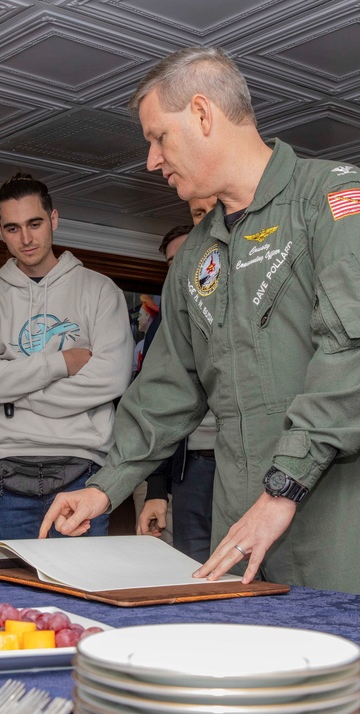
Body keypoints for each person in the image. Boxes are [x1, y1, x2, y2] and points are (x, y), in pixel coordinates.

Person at [40, 46, 360, 604]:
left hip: (346, 514)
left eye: (159, 138)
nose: (152, 160)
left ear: (203, 114)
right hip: (243, 521)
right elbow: (167, 386)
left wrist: (281, 490)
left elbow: (357, 360)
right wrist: (105, 487)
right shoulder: (198, 253)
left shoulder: (336, 200)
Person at [0, 172, 133, 540]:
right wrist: (61, 364)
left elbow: (112, 377)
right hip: (4, 481)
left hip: (82, 479)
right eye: (13, 228)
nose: (25, 238)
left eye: (34, 223)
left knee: (81, 593)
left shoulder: (101, 291)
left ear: (53, 219)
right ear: (0, 231)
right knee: (4, 595)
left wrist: (13, 391)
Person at [137, 219, 218, 562]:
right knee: (191, 570)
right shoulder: (163, 324)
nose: (179, 269)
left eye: (187, 256)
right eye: (171, 263)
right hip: (191, 468)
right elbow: (154, 405)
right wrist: (157, 488)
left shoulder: (242, 303)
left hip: (243, 466)